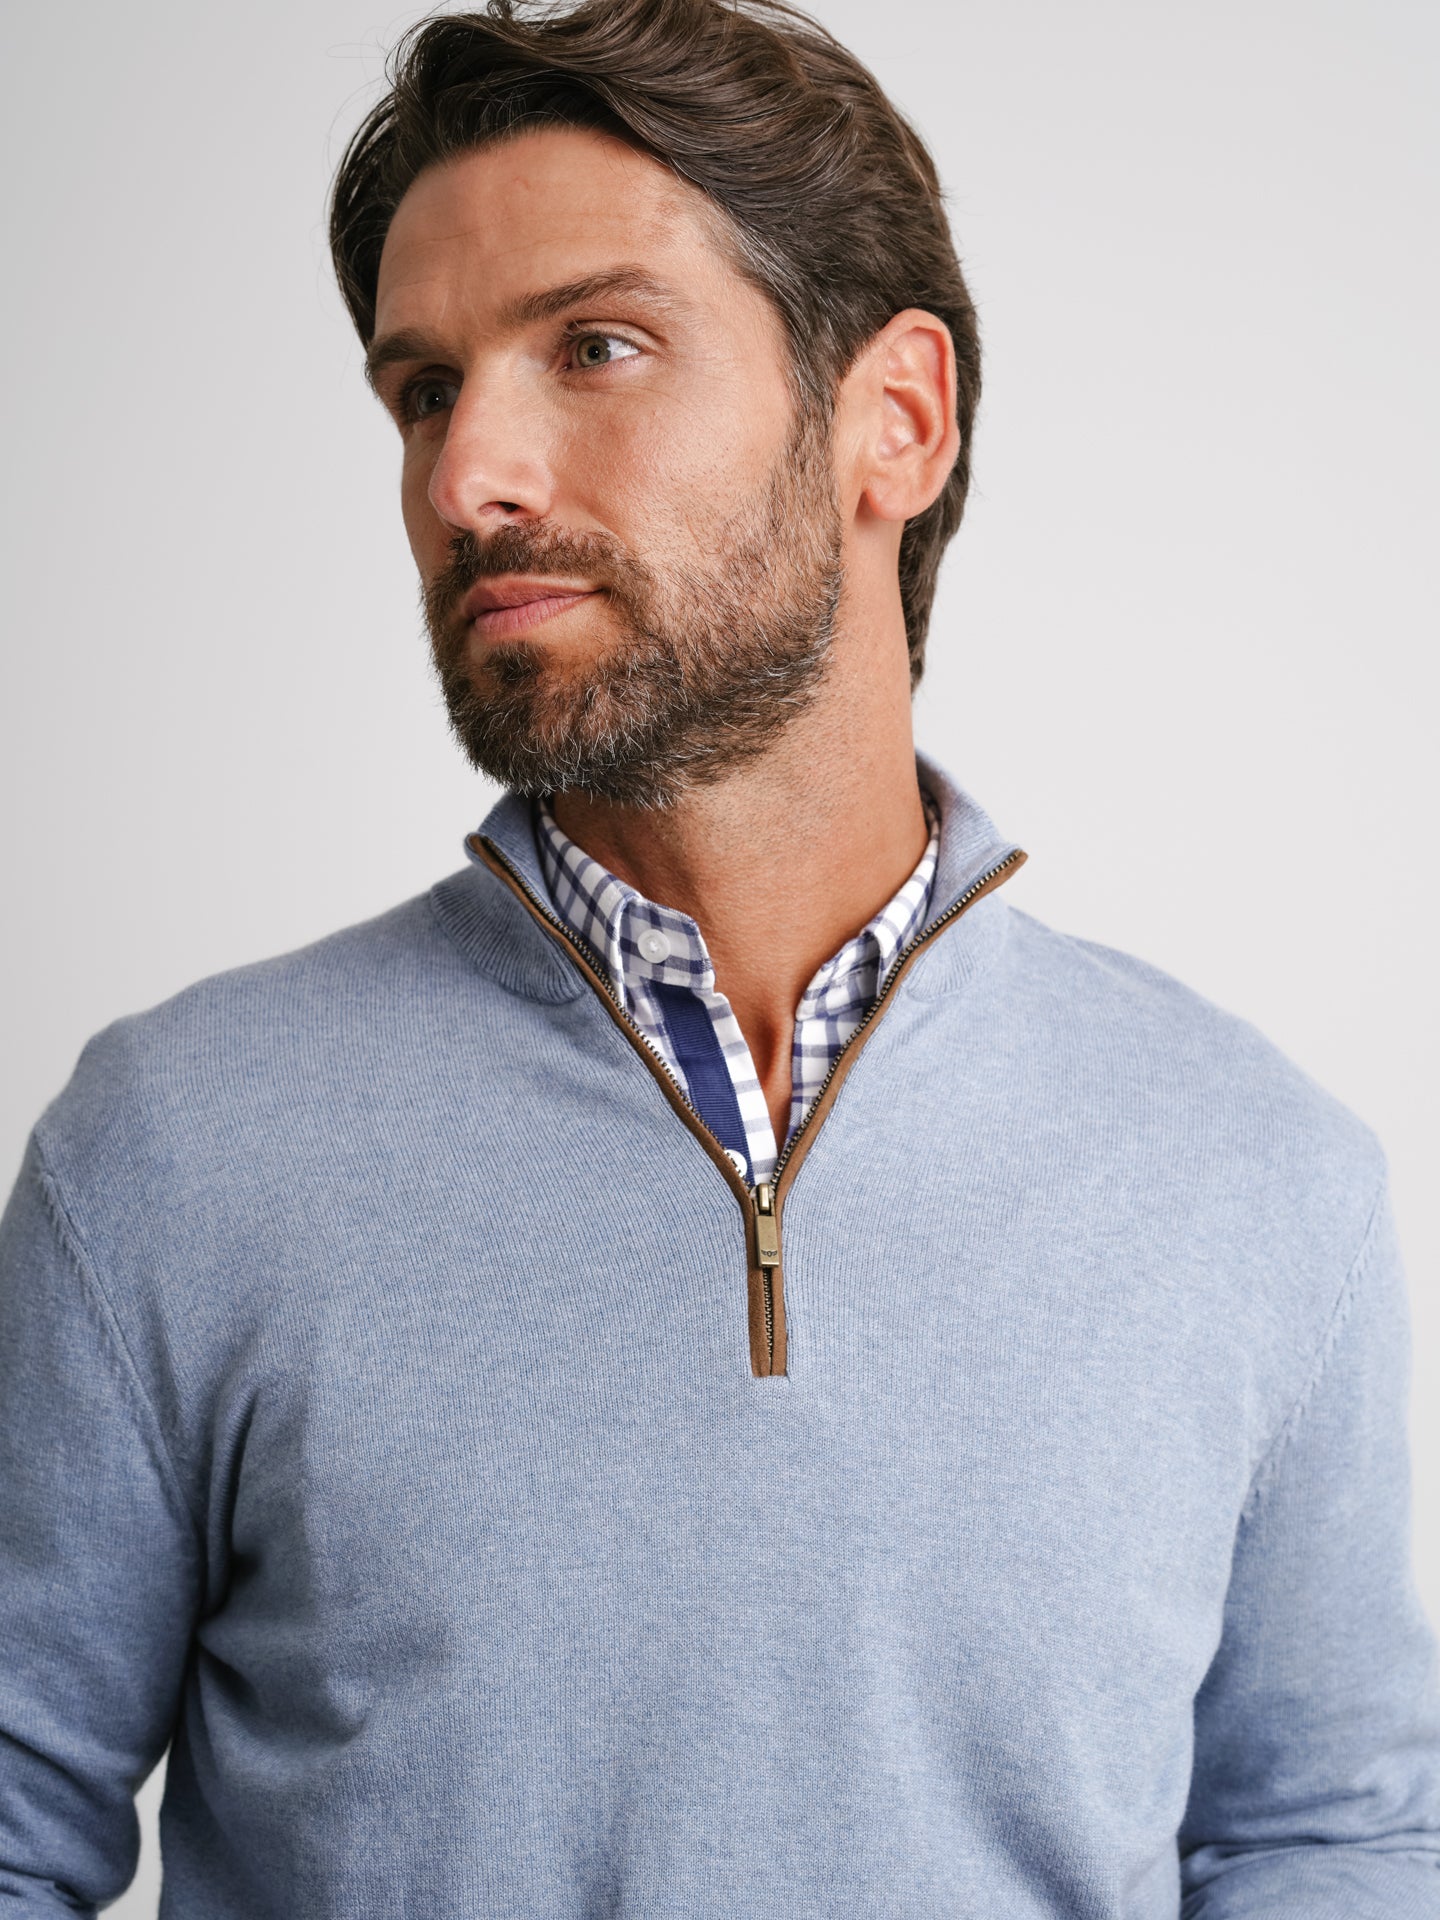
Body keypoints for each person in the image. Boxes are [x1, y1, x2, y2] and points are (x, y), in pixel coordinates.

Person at [2, 0, 1437, 1910]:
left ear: (893, 420)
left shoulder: (1257, 1176)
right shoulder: (175, 1151)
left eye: (594, 347)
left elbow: (1330, 1838)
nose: (468, 474)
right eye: (423, 390)